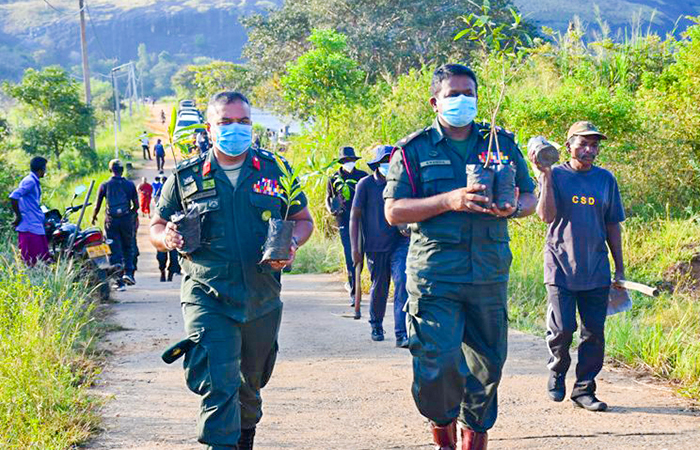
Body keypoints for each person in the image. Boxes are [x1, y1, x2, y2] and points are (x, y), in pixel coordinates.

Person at [383, 64, 537, 450]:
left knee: (488, 367)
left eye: (469, 93)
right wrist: (448, 201)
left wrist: (512, 208)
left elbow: (530, 198)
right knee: (438, 365)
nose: (463, 101)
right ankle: (443, 434)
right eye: (453, 95)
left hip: (488, 272)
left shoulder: (499, 142)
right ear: (435, 101)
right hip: (435, 275)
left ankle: (474, 439)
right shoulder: (414, 149)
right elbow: (394, 211)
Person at [150, 91, 314, 450]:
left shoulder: (277, 170)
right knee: (218, 382)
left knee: (248, 386)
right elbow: (156, 228)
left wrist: (293, 244)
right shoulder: (186, 176)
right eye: (225, 122)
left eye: (242, 121)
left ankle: (245, 438)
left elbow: (302, 220)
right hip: (207, 295)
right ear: (209, 129)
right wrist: (169, 237)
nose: (235, 129)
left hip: (261, 296)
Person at [532, 121, 626, 412]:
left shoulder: (605, 179)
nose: (589, 150)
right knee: (563, 328)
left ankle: (584, 389)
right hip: (560, 266)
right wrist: (545, 176)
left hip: (596, 268)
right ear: (569, 145)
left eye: (594, 145)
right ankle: (558, 369)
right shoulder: (556, 175)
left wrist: (619, 269)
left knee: (594, 333)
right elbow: (546, 216)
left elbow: (613, 225)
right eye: (583, 143)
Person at [350, 145, 409, 347]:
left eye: (390, 162)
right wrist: (355, 249)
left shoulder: (402, 183)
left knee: (402, 281)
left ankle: (401, 333)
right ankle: (376, 323)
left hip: (400, 242)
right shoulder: (365, 185)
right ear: (377, 164)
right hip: (375, 245)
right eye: (384, 162)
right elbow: (354, 217)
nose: (387, 166)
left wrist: (405, 223)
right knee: (380, 287)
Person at [325, 146, 367, 303]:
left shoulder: (363, 177)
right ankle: (354, 292)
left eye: (351, 160)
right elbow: (328, 197)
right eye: (346, 161)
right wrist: (331, 210)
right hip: (343, 220)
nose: (348, 163)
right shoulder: (334, 178)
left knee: (361, 254)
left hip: (361, 221)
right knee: (350, 254)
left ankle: (356, 283)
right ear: (341, 162)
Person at [91, 159, 139, 291]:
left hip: (111, 221)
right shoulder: (130, 185)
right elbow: (136, 205)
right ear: (122, 170)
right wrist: (130, 216)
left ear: (110, 170)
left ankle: (119, 281)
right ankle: (128, 273)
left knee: (113, 249)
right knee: (128, 247)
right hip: (126, 220)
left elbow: (98, 205)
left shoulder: (105, 185)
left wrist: (94, 216)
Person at [9, 156, 49, 266]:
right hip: (30, 227)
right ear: (40, 169)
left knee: (40, 260)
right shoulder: (30, 181)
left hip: (34, 224)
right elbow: (14, 196)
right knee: (35, 261)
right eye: (45, 168)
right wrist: (18, 216)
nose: (45, 171)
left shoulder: (32, 180)